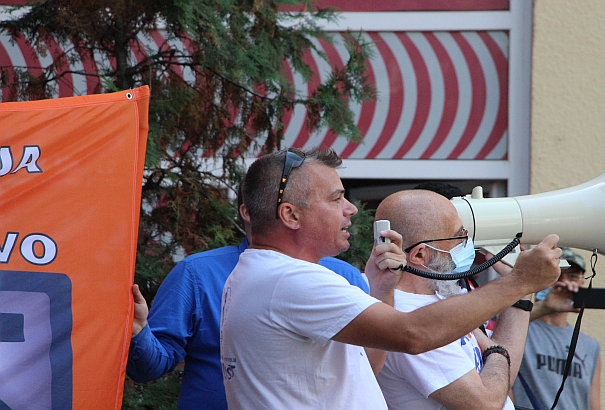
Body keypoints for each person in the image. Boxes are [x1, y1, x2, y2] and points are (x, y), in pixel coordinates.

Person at [220, 146, 563, 409]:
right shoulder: (291, 280)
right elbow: (414, 334)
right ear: (290, 215)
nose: (351, 209)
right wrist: (519, 282)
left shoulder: (267, 273)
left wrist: (381, 292)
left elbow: (363, 368)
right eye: (336, 199)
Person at [127, 202, 369, 410]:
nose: (349, 208)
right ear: (249, 211)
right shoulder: (197, 274)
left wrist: (385, 289)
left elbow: (367, 370)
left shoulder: (345, 278)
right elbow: (149, 367)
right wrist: (138, 332)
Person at [375, 188, 531, 410]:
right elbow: (487, 403)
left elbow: (501, 380)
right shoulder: (408, 315)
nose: (468, 242)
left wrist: (521, 291)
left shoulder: (442, 293)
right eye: (460, 235)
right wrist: (497, 352)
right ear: (420, 254)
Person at [511, 248, 602, 410]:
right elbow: (492, 331)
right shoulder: (520, 328)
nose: (564, 281)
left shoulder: (590, 346)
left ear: (581, 283)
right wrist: (544, 307)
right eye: (557, 274)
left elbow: (593, 404)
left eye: (572, 276)